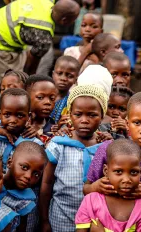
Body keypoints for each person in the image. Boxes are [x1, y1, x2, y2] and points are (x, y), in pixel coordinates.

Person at [85, 91, 141, 207]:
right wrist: (96, 187)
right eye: (137, 123)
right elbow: (86, 188)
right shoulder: (108, 149)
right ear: (127, 123)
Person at [39, 82, 108, 232]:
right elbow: (46, 184)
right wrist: (44, 219)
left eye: (92, 115)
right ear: (70, 115)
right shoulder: (59, 145)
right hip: (61, 217)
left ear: (102, 116)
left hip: (95, 220)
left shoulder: (106, 147)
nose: (84, 120)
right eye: (78, 114)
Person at [0, 0, 80, 81]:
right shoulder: (43, 38)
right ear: (64, 20)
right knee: (15, 84)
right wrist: (29, 84)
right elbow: (29, 69)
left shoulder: (46, 1)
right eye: (74, 19)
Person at [75, 139, 141, 231]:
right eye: (119, 171)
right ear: (106, 171)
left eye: (133, 172)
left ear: (140, 172)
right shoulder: (91, 201)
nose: (126, 180)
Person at [0, 88, 44, 173]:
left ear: (28, 116)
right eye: (7, 114)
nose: (13, 120)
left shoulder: (34, 143)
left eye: (20, 115)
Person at [2, 141, 47, 231]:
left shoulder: (25, 201)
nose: (28, 176)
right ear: (10, 162)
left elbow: (22, 228)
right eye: (24, 167)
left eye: (36, 174)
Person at [25, 75, 58, 141]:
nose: (48, 102)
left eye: (52, 98)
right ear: (26, 97)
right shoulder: (18, 123)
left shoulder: (54, 128)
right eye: (40, 97)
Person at [50, 56, 81, 124]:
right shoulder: (41, 95)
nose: (63, 78)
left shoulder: (72, 103)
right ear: (53, 74)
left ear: (75, 80)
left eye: (69, 76)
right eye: (59, 73)